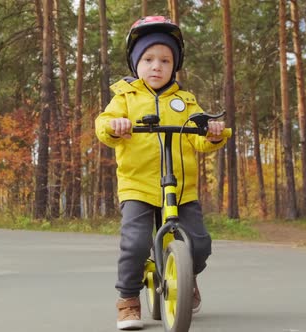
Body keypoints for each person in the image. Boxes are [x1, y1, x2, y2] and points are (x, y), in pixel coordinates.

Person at [94, 16, 227, 330]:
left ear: (174, 65)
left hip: (181, 188)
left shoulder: (185, 101)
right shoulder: (124, 98)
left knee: (200, 244)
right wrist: (116, 126)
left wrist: (213, 134)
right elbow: (103, 126)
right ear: (135, 63)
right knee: (136, 244)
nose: (157, 66)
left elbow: (199, 137)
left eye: (165, 60)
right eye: (149, 59)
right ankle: (127, 300)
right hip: (138, 186)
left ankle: (183, 274)